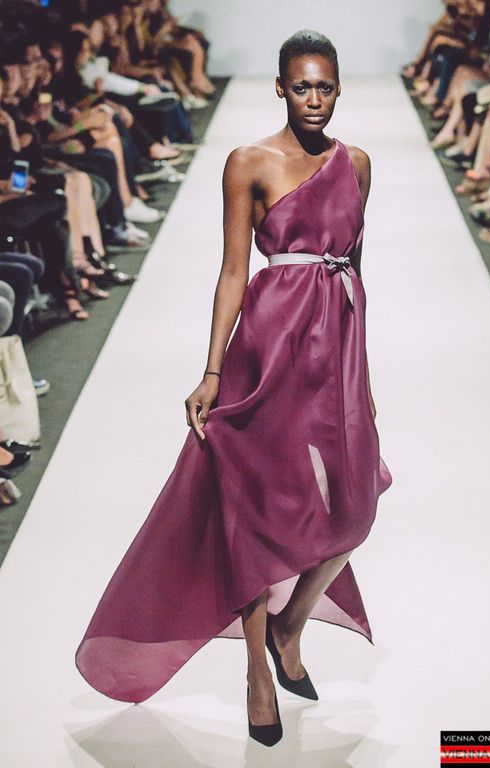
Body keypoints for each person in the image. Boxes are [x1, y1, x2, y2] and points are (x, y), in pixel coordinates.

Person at [74, 29, 393, 748]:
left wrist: (363, 374)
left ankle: (290, 624)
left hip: (336, 347)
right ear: (280, 88)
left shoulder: (357, 164)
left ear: (339, 88)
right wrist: (214, 370)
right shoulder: (249, 162)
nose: (314, 99)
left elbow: (354, 270)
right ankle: (257, 670)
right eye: (301, 86)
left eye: (325, 86)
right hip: (268, 348)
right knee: (256, 513)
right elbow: (232, 271)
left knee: (356, 507)